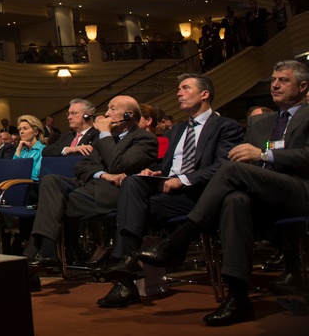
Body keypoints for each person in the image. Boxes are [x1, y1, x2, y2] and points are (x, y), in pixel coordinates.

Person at [137, 60, 309, 326]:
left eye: (283, 80)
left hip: (299, 190)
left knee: (229, 171)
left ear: (303, 86)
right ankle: (238, 296)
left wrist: (265, 154)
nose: (275, 84)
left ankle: (180, 239)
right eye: (273, 79)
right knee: (234, 200)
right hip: (261, 193)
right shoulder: (261, 122)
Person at [97, 74, 243, 308]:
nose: (178, 93)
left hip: (203, 195)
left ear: (204, 94)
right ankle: (126, 269)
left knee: (134, 208)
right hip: (168, 191)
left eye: (185, 88)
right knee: (133, 183)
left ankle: (124, 278)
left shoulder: (226, 126)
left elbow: (223, 166)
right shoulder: (178, 130)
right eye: (178, 89)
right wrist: (153, 171)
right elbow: (169, 165)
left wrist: (183, 180)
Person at [24, 96, 158, 274]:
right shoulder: (106, 138)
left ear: (128, 115)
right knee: (50, 180)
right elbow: (81, 166)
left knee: (50, 205)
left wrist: (104, 134)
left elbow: (120, 165)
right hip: (89, 185)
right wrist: (103, 174)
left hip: (113, 193)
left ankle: (37, 254)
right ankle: (45, 254)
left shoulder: (143, 139)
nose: (107, 114)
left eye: (112, 109)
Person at [13, 115, 46, 180]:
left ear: (36, 132)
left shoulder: (43, 150)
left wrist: (19, 169)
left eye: (25, 128)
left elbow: (35, 175)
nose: (21, 132)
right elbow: (12, 170)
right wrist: (18, 149)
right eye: (20, 129)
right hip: (17, 183)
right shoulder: (22, 150)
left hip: (33, 186)